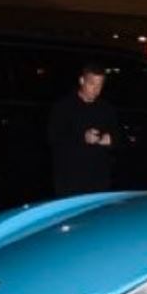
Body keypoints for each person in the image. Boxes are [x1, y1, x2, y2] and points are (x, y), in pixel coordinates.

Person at [48, 63, 118, 197]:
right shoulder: (63, 107)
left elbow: (119, 136)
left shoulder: (106, 108)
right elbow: (53, 138)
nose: (96, 90)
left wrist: (110, 139)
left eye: (100, 85)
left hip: (99, 181)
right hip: (71, 180)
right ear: (82, 81)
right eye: (92, 84)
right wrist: (82, 137)